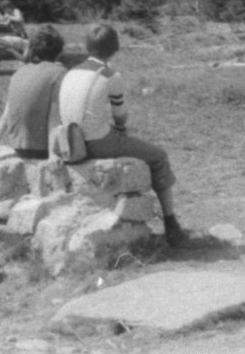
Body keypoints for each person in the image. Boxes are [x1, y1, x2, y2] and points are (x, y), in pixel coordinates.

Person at [60, 24, 189, 247]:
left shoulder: (71, 72)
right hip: (97, 142)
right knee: (158, 156)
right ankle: (171, 222)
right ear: (115, 48)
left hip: (69, 141)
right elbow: (120, 116)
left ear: (87, 47)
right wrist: (120, 130)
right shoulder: (110, 75)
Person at [0, 24, 68, 159]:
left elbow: (5, 118)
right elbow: (54, 118)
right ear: (59, 52)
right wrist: (53, 157)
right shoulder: (59, 73)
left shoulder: (19, 72)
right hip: (43, 150)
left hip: (19, 148)